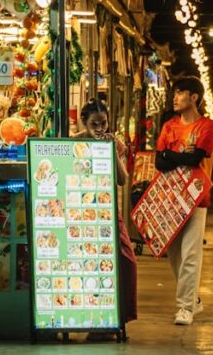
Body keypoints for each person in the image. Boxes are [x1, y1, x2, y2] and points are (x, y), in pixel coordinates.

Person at [154, 76, 213, 326]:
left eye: (180, 93)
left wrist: (173, 155)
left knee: (191, 252)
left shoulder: (207, 127)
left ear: (194, 97)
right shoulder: (169, 125)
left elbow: (195, 160)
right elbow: (159, 161)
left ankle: (184, 308)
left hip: (196, 197)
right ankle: (194, 301)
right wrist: (180, 154)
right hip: (170, 197)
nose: (175, 97)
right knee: (174, 254)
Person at [72, 100, 138, 339]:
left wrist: (110, 151)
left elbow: (122, 179)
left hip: (108, 210)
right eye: (93, 124)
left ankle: (118, 319)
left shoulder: (114, 143)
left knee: (126, 263)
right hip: (80, 210)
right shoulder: (74, 142)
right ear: (83, 123)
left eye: (103, 123)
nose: (99, 128)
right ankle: (94, 322)